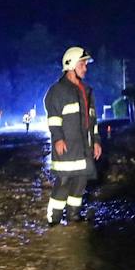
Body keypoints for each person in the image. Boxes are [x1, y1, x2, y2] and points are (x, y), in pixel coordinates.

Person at [43, 46, 102, 225]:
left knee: (80, 181)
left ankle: (73, 215)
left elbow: (93, 121)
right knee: (64, 181)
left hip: (85, 147)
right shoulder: (58, 91)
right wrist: (58, 138)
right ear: (71, 65)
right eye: (82, 64)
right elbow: (53, 119)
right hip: (68, 145)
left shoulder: (87, 91)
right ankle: (54, 218)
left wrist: (97, 141)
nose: (85, 68)